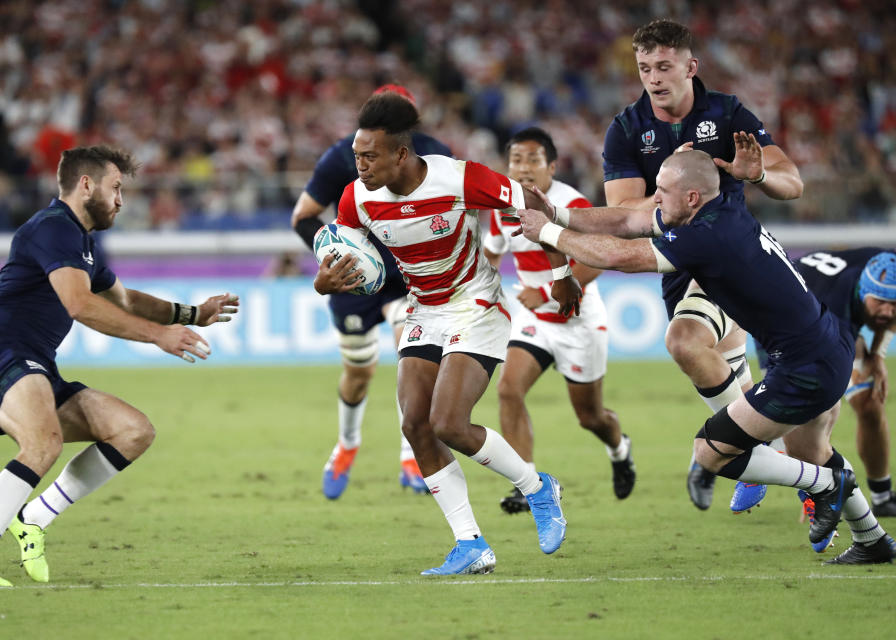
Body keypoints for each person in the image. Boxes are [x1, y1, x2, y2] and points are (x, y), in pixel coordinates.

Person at [516, 149, 896, 564]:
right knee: (807, 450)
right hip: (819, 352)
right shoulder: (719, 209)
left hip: (806, 366)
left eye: (662, 191)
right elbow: (627, 221)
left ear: (693, 197)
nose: (655, 199)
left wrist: (547, 234)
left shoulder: (707, 239)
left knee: (711, 452)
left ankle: (827, 485)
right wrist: (556, 213)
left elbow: (618, 257)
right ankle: (872, 539)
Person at [0, 146, 239, 587]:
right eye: (116, 187)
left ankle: (34, 517)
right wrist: (157, 336)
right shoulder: (51, 229)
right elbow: (79, 305)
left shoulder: (82, 242)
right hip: (1, 359)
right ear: (86, 185)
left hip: (37, 367)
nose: (121, 199)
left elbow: (124, 299)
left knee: (133, 430)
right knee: (43, 444)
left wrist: (191, 314)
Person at [314, 91, 578, 575]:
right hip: (424, 309)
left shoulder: (458, 177)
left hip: (475, 304)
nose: (360, 166)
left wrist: (561, 276)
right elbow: (338, 253)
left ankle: (538, 487)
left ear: (400, 153)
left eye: (369, 156)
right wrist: (323, 281)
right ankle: (470, 544)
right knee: (415, 424)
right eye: (356, 156)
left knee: (449, 424)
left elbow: (534, 207)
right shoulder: (357, 196)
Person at [602, 18, 804, 511]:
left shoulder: (728, 112)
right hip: (678, 265)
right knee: (731, 369)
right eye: (645, 67)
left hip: (732, 255)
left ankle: (750, 455)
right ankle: (783, 464)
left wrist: (759, 176)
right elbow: (627, 215)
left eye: (664, 66)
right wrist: (674, 181)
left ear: (690, 67)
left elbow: (791, 183)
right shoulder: (627, 129)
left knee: (685, 341)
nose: (654, 77)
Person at [291, 84, 451, 499]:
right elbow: (303, 216)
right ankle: (346, 444)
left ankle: (410, 454)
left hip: (408, 277)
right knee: (358, 374)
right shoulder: (344, 155)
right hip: (352, 280)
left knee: (412, 357)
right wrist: (333, 254)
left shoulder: (437, 155)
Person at [483, 126, 634, 513]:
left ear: (551, 166)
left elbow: (598, 258)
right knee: (508, 390)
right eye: (516, 160)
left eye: (533, 160)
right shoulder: (502, 205)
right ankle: (527, 483)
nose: (523, 168)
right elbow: (492, 251)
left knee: (590, 418)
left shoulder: (574, 204)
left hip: (578, 321)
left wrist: (551, 290)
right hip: (535, 319)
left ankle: (619, 448)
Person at [756, 248, 896, 517]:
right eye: (880, 301)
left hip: (833, 313)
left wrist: (877, 354)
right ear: (866, 291)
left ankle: (881, 496)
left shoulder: (885, 273)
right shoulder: (836, 302)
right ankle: (814, 488)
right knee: (801, 413)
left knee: (868, 403)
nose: (888, 310)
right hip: (781, 321)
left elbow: (887, 313)